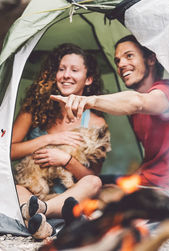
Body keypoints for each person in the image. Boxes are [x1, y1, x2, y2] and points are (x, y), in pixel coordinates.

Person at [51, 35, 169, 196]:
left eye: (129, 56)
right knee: (92, 182)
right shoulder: (136, 113)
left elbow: (139, 102)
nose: (121, 64)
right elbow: (153, 161)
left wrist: (87, 101)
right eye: (118, 60)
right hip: (144, 180)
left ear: (151, 59)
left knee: (97, 195)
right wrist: (125, 184)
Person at [11, 43, 108, 239]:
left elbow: (92, 174)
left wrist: (65, 160)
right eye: (61, 69)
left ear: (88, 79)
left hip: (70, 194)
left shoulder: (97, 122)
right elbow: (9, 150)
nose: (66, 75)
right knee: (17, 188)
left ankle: (41, 213)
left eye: (74, 70)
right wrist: (50, 138)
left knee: (94, 182)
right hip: (33, 190)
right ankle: (43, 225)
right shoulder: (34, 107)